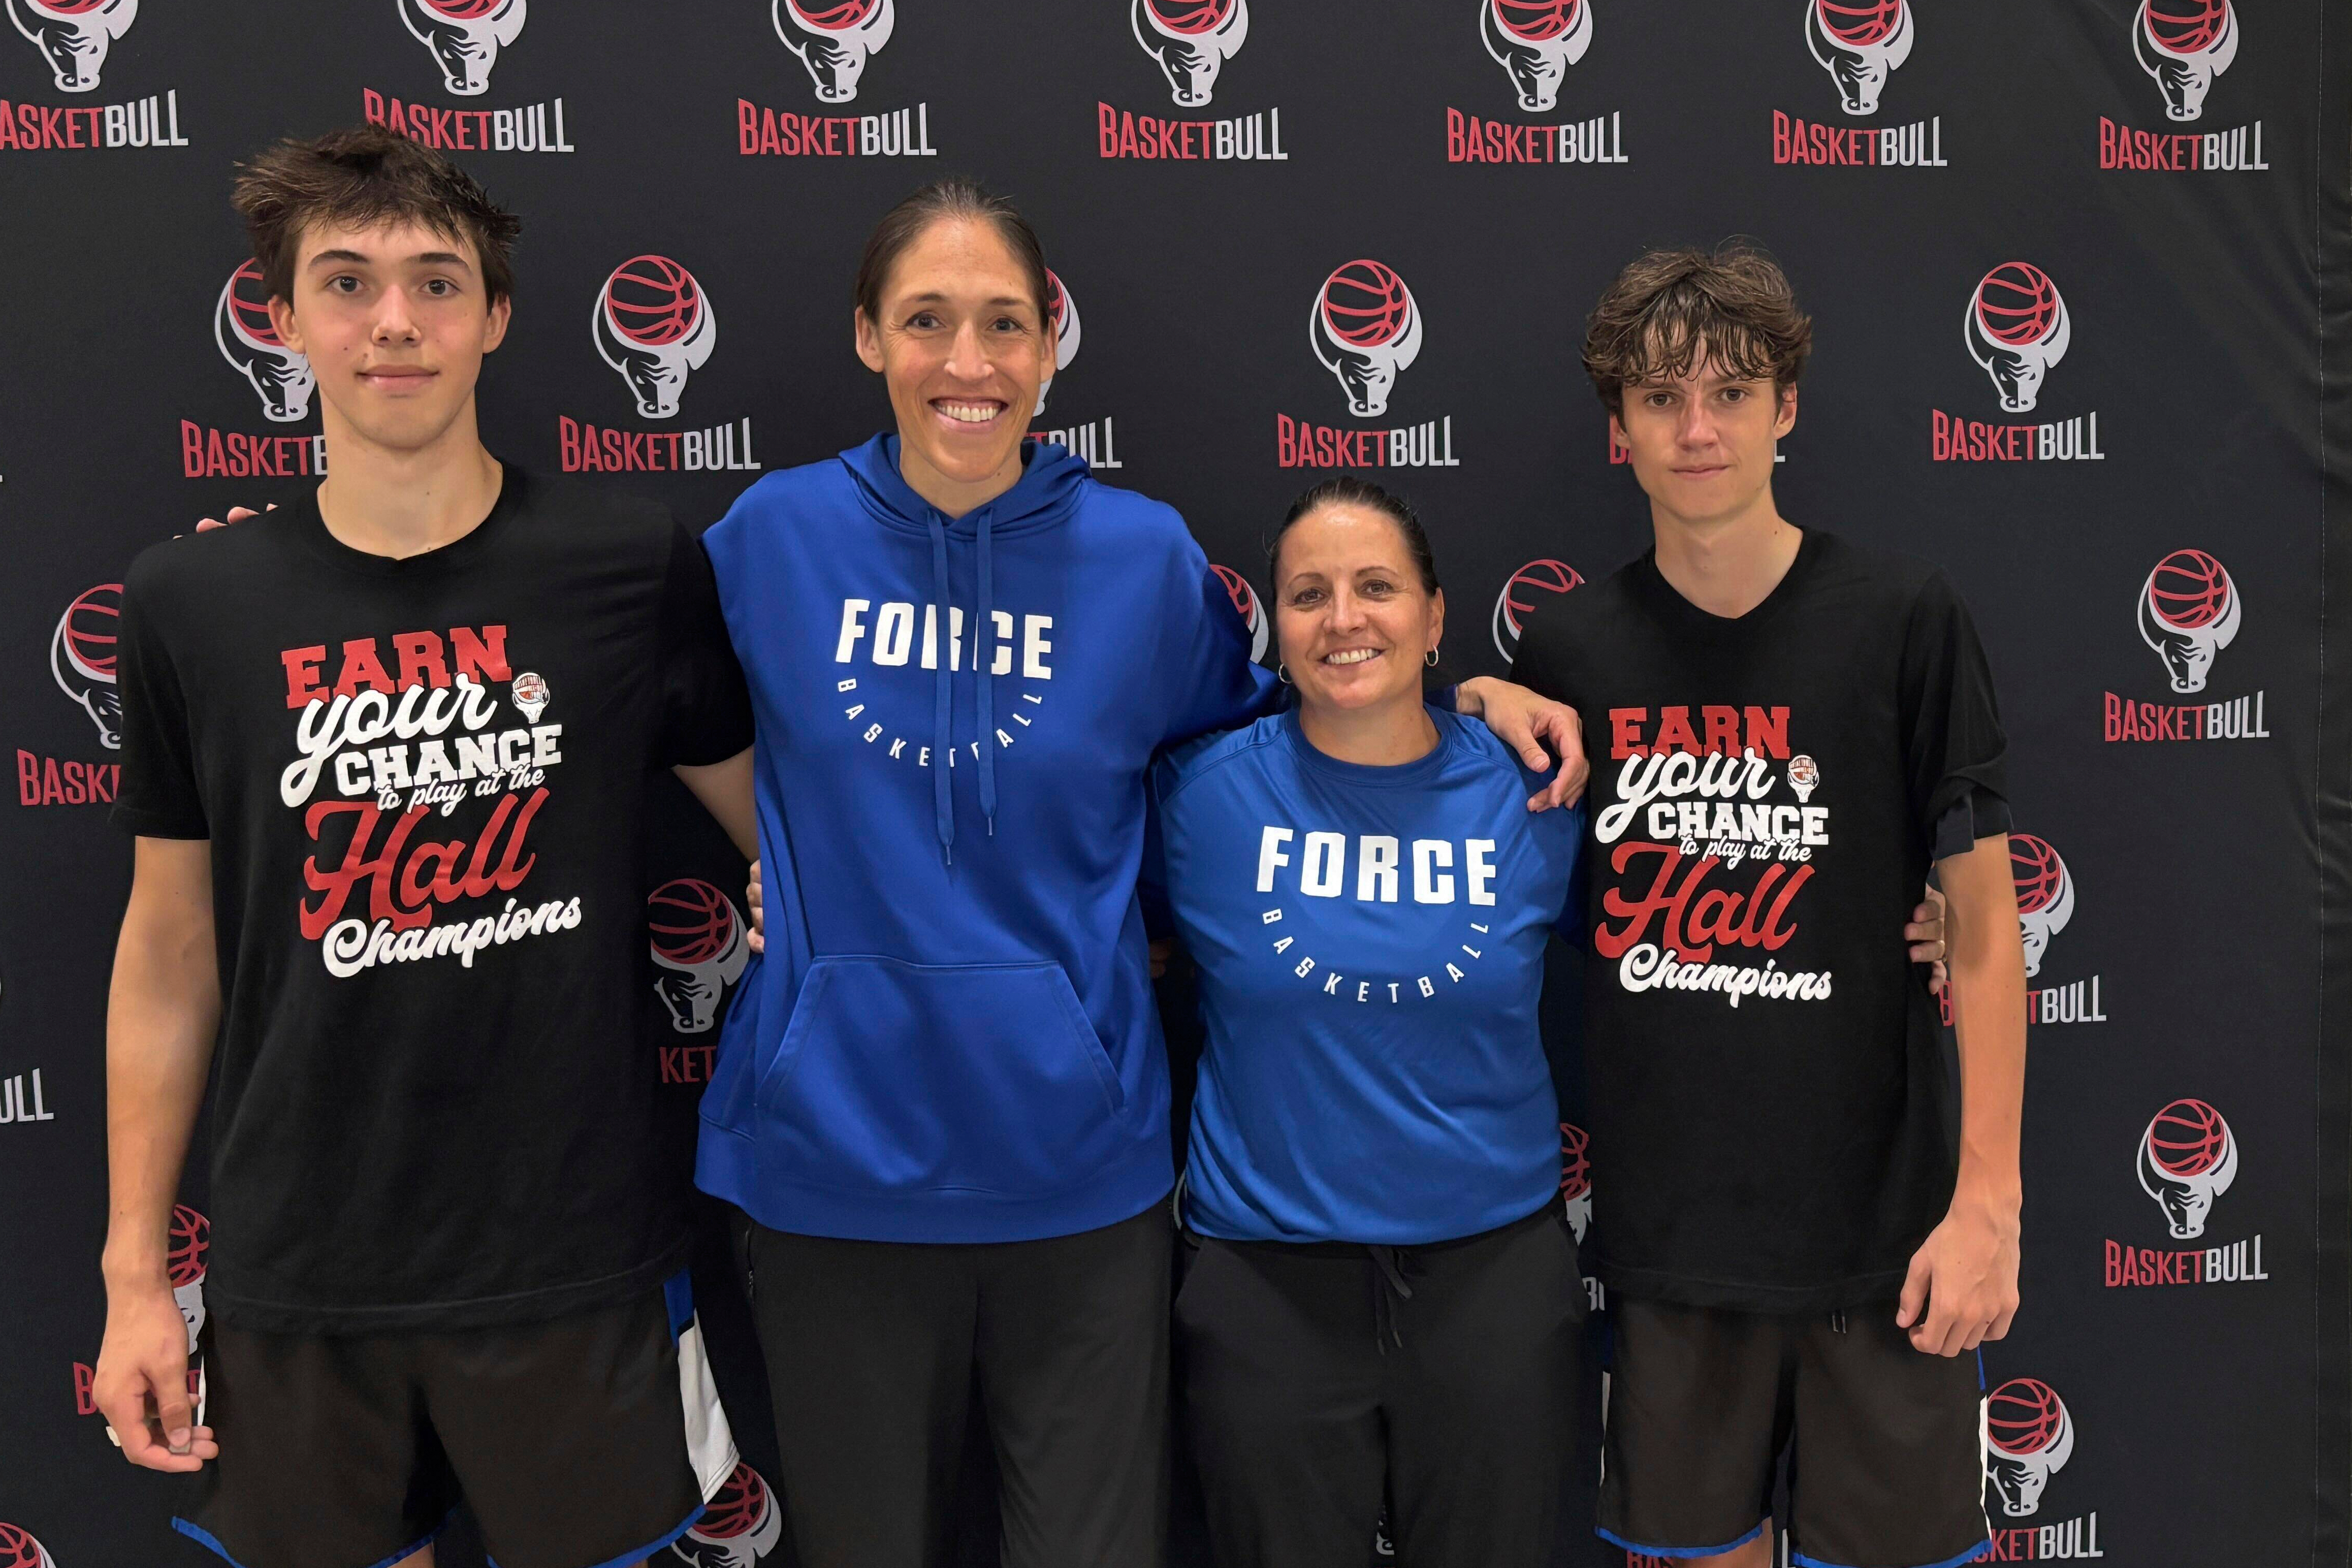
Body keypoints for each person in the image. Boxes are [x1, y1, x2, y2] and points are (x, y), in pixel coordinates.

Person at [694, 176, 1587, 1568]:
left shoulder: (1138, 555)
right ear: (867, 336)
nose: (967, 361)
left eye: (1002, 322)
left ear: (1050, 343)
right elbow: (616, 695)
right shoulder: (769, 538)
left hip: (1079, 1170)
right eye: (925, 319)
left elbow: (1286, 732)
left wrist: (1462, 699)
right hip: (829, 1160)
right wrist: (778, 855)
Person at [93, 126, 759, 1568]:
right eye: (346, 282)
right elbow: (168, 948)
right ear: (280, 319)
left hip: (573, 1252)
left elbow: (784, 830)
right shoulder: (189, 601)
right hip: (304, 1265)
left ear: (494, 318)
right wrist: (137, 1271)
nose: (393, 321)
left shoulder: (628, 562)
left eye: (435, 284)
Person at [1509, 243, 2028, 1568]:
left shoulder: (1903, 618)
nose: (1698, 428)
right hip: (1675, 1252)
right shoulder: (1568, 650)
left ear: (1785, 411)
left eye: (1731, 394)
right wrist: (1472, 698)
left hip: (1890, 1244)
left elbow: (1979, 924)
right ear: (1615, 428)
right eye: (1662, 396)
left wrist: (1988, 1208)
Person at [1150, 476, 1588, 1568]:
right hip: (1266, 1286)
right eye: (1308, 594)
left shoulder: (1536, 789)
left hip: (1490, 1281)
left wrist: (1917, 917)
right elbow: (1045, 892)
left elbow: (1688, 926)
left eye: (1376, 587)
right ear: (1276, 624)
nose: (1343, 618)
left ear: (1435, 618)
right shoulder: (1198, 794)